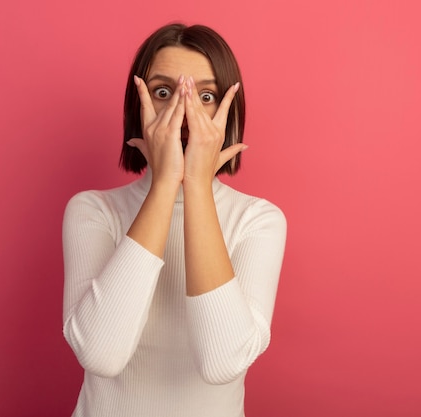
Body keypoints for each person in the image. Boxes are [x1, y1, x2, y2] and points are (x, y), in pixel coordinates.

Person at [62, 23, 287, 417]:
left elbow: (223, 363)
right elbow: (100, 355)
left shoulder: (258, 221)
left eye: (205, 95)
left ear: (228, 112)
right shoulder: (93, 211)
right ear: (139, 106)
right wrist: (166, 182)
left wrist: (196, 188)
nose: (183, 113)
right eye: (163, 92)